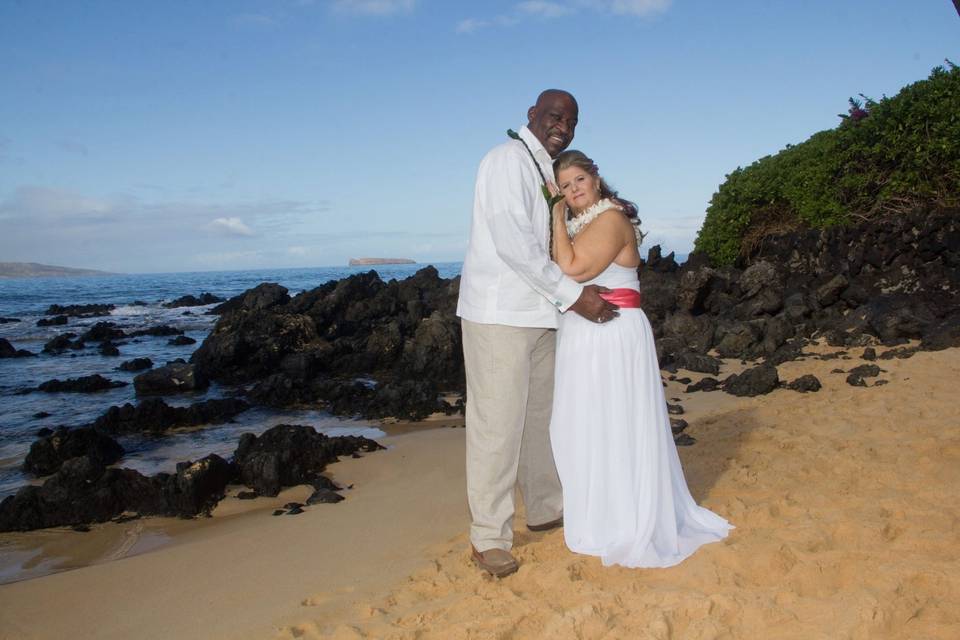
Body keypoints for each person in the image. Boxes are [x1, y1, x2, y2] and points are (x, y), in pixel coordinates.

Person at [456, 90, 619, 578]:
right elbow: (515, 246)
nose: (562, 125)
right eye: (554, 116)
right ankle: (488, 538)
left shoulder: (547, 170)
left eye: (570, 120)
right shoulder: (506, 160)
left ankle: (546, 507)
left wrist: (565, 298)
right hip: (499, 313)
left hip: (542, 313)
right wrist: (574, 296)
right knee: (496, 426)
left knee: (540, 420)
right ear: (531, 115)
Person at [547, 150, 733, 568]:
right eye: (564, 186)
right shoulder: (587, 221)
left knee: (613, 422)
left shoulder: (610, 219)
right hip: (583, 332)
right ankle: (600, 513)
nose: (573, 190)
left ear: (595, 178)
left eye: (579, 180)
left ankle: (622, 519)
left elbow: (573, 268)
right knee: (582, 424)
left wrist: (556, 217)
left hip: (611, 332)